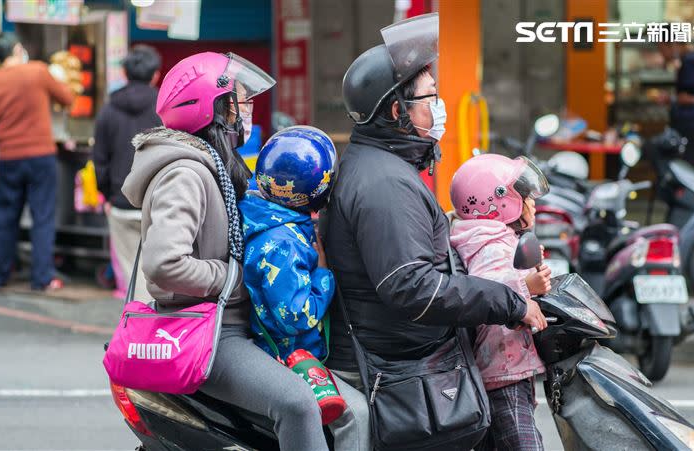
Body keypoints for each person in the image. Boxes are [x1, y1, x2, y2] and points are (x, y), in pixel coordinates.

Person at [323, 14, 547, 450]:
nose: (439, 106)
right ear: (396, 111)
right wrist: (507, 302)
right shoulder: (385, 183)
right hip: (405, 369)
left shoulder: (383, 167)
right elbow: (412, 286)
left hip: (412, 355)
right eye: (430, 97)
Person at [121, 52, 329, 451]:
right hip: (214, 332)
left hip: (230, 322)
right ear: (211, 107)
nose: (246, 109)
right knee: (299, 405)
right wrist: (233, 276)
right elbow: (164, 264)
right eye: (239, 100)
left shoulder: (213, 162)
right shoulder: (185, 173)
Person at [239, 125, 347, 424]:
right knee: (354, 415)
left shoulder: (261, 213)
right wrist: (324, 276)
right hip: (292, 356)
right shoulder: (282, 246)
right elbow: (294, 315)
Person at [449, 154, 552, 451]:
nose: (533, 203)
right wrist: (527, 285)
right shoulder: (490, 244)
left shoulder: (494, 237)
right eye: (526, 197)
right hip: (502, 368)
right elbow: (488, 291)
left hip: (505, 365)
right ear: (498, 202)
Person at [0, 32, 74, 291]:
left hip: (9, 156)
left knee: (6, 217)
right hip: (41, 156)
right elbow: (67, 99)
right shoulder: (38, 71)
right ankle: (41, 278)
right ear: (18, 49)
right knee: (41, 216)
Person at [92, 45, 162, 299]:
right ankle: (156, 328)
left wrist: (107, 196)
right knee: (159, 272)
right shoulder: (164, 108)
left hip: (121, 202)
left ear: (123, 72)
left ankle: (138, 326)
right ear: (156, 74)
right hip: (158, 202)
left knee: (129, 271)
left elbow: (99, 160)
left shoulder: (107, 111)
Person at [658, 41, 694, 167]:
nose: (662, 53)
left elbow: (693, 97)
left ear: (672, 44)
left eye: (661, 48)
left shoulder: (690, 61)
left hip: (689, 125)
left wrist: (670, 99)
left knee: (684, 168)